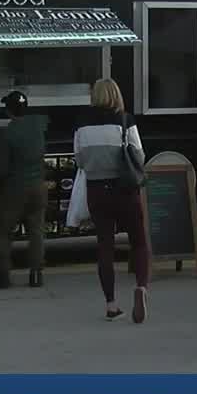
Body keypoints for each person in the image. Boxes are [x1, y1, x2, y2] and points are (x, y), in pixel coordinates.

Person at [73, 78, 152, 323]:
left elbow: (79, 160)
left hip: (97, 189)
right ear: (116, 94)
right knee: (138, 241)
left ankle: (111, 305)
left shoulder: (82, 125)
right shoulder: (125, 121)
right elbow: (139, 155)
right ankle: (140, 287)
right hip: (125, 189)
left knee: (105, 245)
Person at [0, 90, 49, 288]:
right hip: (39, 187)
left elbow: (1, 169)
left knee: (3, 231)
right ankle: (36, 274)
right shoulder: (39, 124)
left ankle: (4, 276)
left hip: (16, 190)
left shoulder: (8, 134)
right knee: (36, 231)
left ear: (8, 111)